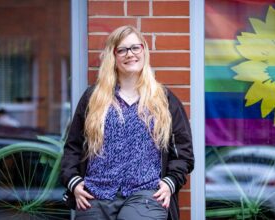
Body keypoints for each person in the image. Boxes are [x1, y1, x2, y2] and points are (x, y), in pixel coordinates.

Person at [60, 25, 194, 220]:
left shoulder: (163, 99)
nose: (129, 54)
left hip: (146, 193)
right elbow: (72, 146)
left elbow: (184, 152)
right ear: (113, 57)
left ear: (144, 51)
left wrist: (170, 182)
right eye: (121, 50)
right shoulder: (93, 98)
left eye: (135, 48)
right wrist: (73, 181)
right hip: (95, 193)